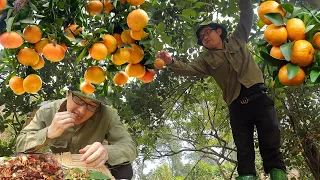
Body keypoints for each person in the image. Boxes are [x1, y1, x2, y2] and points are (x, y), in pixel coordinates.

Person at [157, 0, 287, 179]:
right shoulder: (205, 61)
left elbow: (247, 16)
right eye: (202, 37)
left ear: (218, 31)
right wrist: (170, 62)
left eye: (207, 32)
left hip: (259, 98)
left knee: (271, 144)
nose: (205, 37)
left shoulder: (237, 38)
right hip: (237, 107)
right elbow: (187, 68)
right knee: (244, 152)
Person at [16, 90, 138, 179]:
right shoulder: (47, 111)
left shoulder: (107, 115)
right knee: (23, 159)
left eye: (92, 105)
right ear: (68, 93)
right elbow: (20, 143)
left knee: (125, 169)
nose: (81, 111)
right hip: (59, 167)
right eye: (79, 99)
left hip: (92, 167)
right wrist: (48, 133)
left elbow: (129, 146)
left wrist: (107, 152)